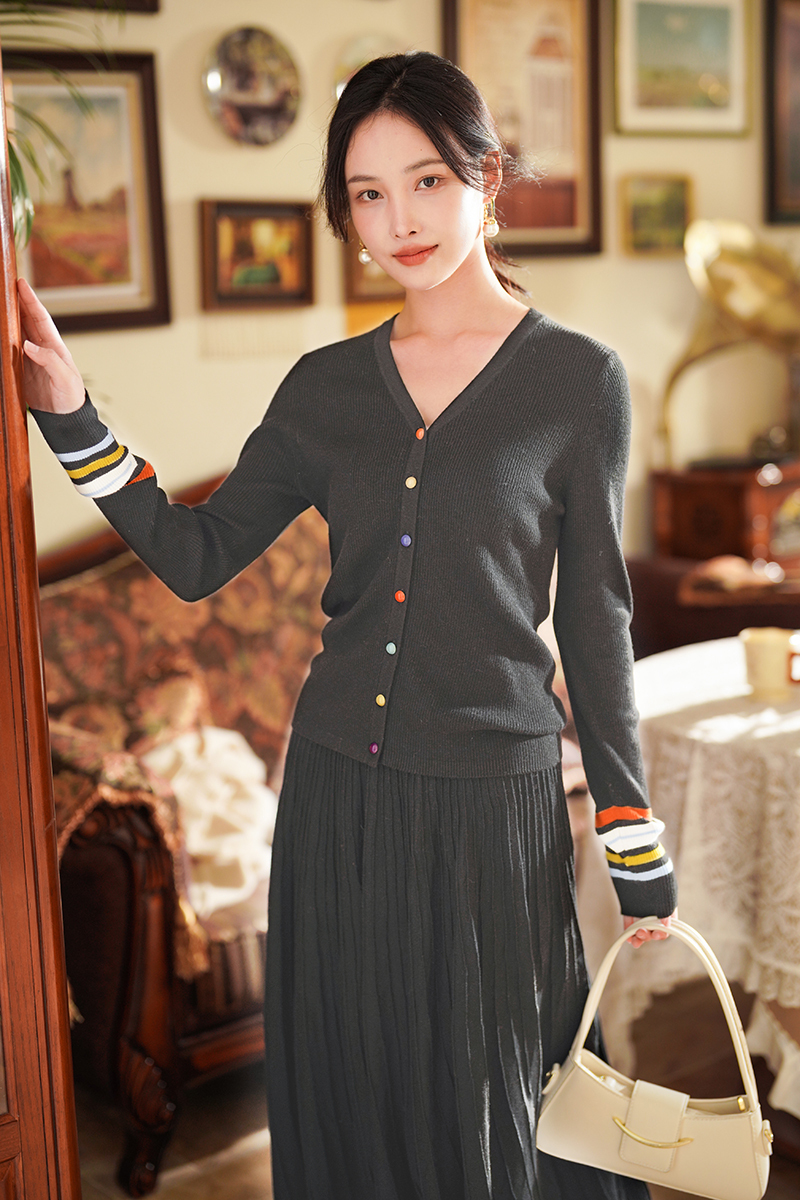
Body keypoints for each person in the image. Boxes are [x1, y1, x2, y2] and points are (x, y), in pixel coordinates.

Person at [20, 50, 676, 1200]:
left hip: (490, 806)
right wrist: (74, 420)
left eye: (424, 181)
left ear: (484, 176)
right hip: (335, 796)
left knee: (493, 1101)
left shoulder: (579, 381)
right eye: (367, 194)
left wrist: (628, 833)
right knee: (354, 1084)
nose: (398, 221)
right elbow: (196, 555)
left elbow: (594, 621)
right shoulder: (322, 389)